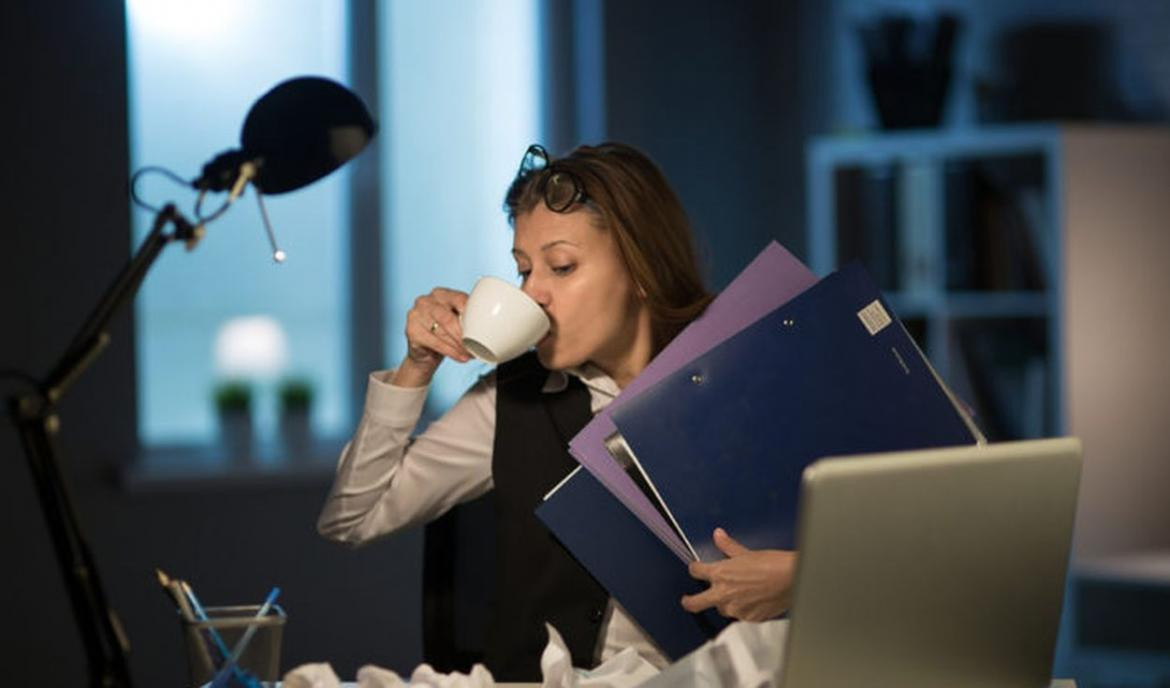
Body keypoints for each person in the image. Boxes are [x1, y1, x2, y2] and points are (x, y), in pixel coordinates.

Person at [316, 141, 796, 680]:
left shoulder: (750, 369)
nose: (533, 293)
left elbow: (894, 547)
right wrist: (416, 366)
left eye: (561, 267)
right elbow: (352, 518)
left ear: (642, 268)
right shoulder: (511, 399)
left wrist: (803, 577)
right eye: (522, 270)